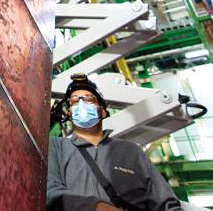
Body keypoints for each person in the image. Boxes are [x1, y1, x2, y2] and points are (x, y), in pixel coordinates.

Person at [47, 74, 182, 211]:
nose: (81, 104)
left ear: (103, 111)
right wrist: (97, 207)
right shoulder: (56, 147)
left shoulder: (130, 151)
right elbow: (49, 193)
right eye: (74, 101)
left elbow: (165, 203)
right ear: (69, 113)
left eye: (89, 100)